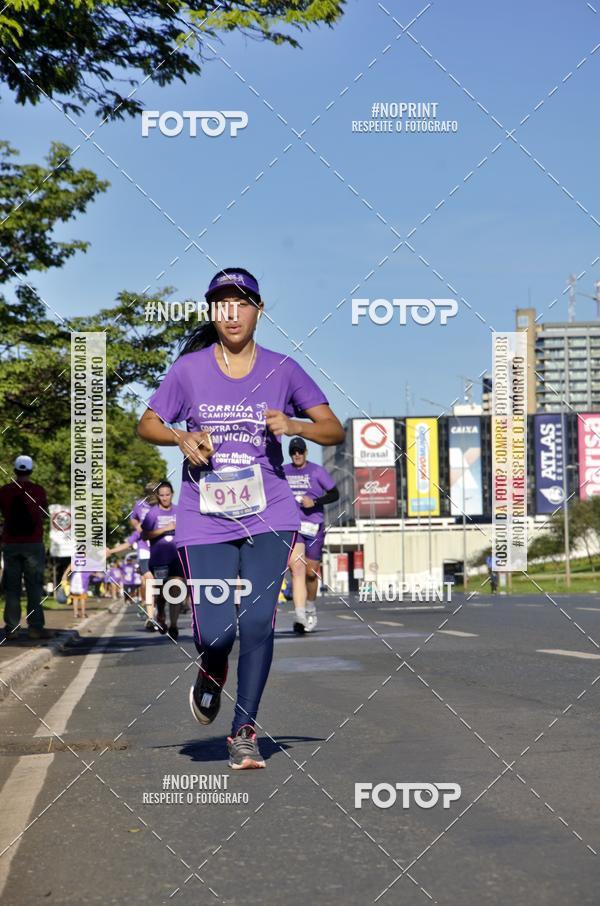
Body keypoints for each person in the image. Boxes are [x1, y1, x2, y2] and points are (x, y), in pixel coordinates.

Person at [137, 266, 345, 769]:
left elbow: (333, 430)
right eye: (221, 304)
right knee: (215, 633)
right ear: (213, 312)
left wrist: (292, 423)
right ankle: (212, 666)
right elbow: (147, 423)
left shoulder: (283, 369)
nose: (231, 313)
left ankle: (244, 731)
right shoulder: (188, 370)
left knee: (256, 621)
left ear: (258, 310)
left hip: (269, 512)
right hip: (205, 517)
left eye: (241, 303)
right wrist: (181, 438)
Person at [283, 437, 339, 633]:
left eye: (300, 451)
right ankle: (299, 616)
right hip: (294, 526)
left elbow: (335, 494)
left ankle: (311, 607)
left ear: (306, 452)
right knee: (296, 567)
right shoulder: (284, 471)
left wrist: (314, 503)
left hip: (314, 526)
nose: (297, 455)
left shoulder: (317, 471)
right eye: (293, 452)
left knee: (311, 573)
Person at [0, 455, 51, 641]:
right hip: (33, 544)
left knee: (12, 588)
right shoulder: (38, 490)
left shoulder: (4, 491)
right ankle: (35, 628)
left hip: (11, 544)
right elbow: (45, 512)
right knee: (34, 587)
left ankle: (12, 628)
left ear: (15, 470)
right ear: (30, 471)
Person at [141, 480, 183, 639]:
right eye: (162, 495)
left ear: (172, 494)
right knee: (159, 593)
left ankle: (174, 624)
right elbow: (144, 535)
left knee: (176, 589)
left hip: (176, 558)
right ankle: (159, 613)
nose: (165, 498)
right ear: (157, 496)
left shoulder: (180, 511)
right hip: (159, 559)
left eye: (168, 495)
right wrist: (165, 529)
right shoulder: (153, 513)